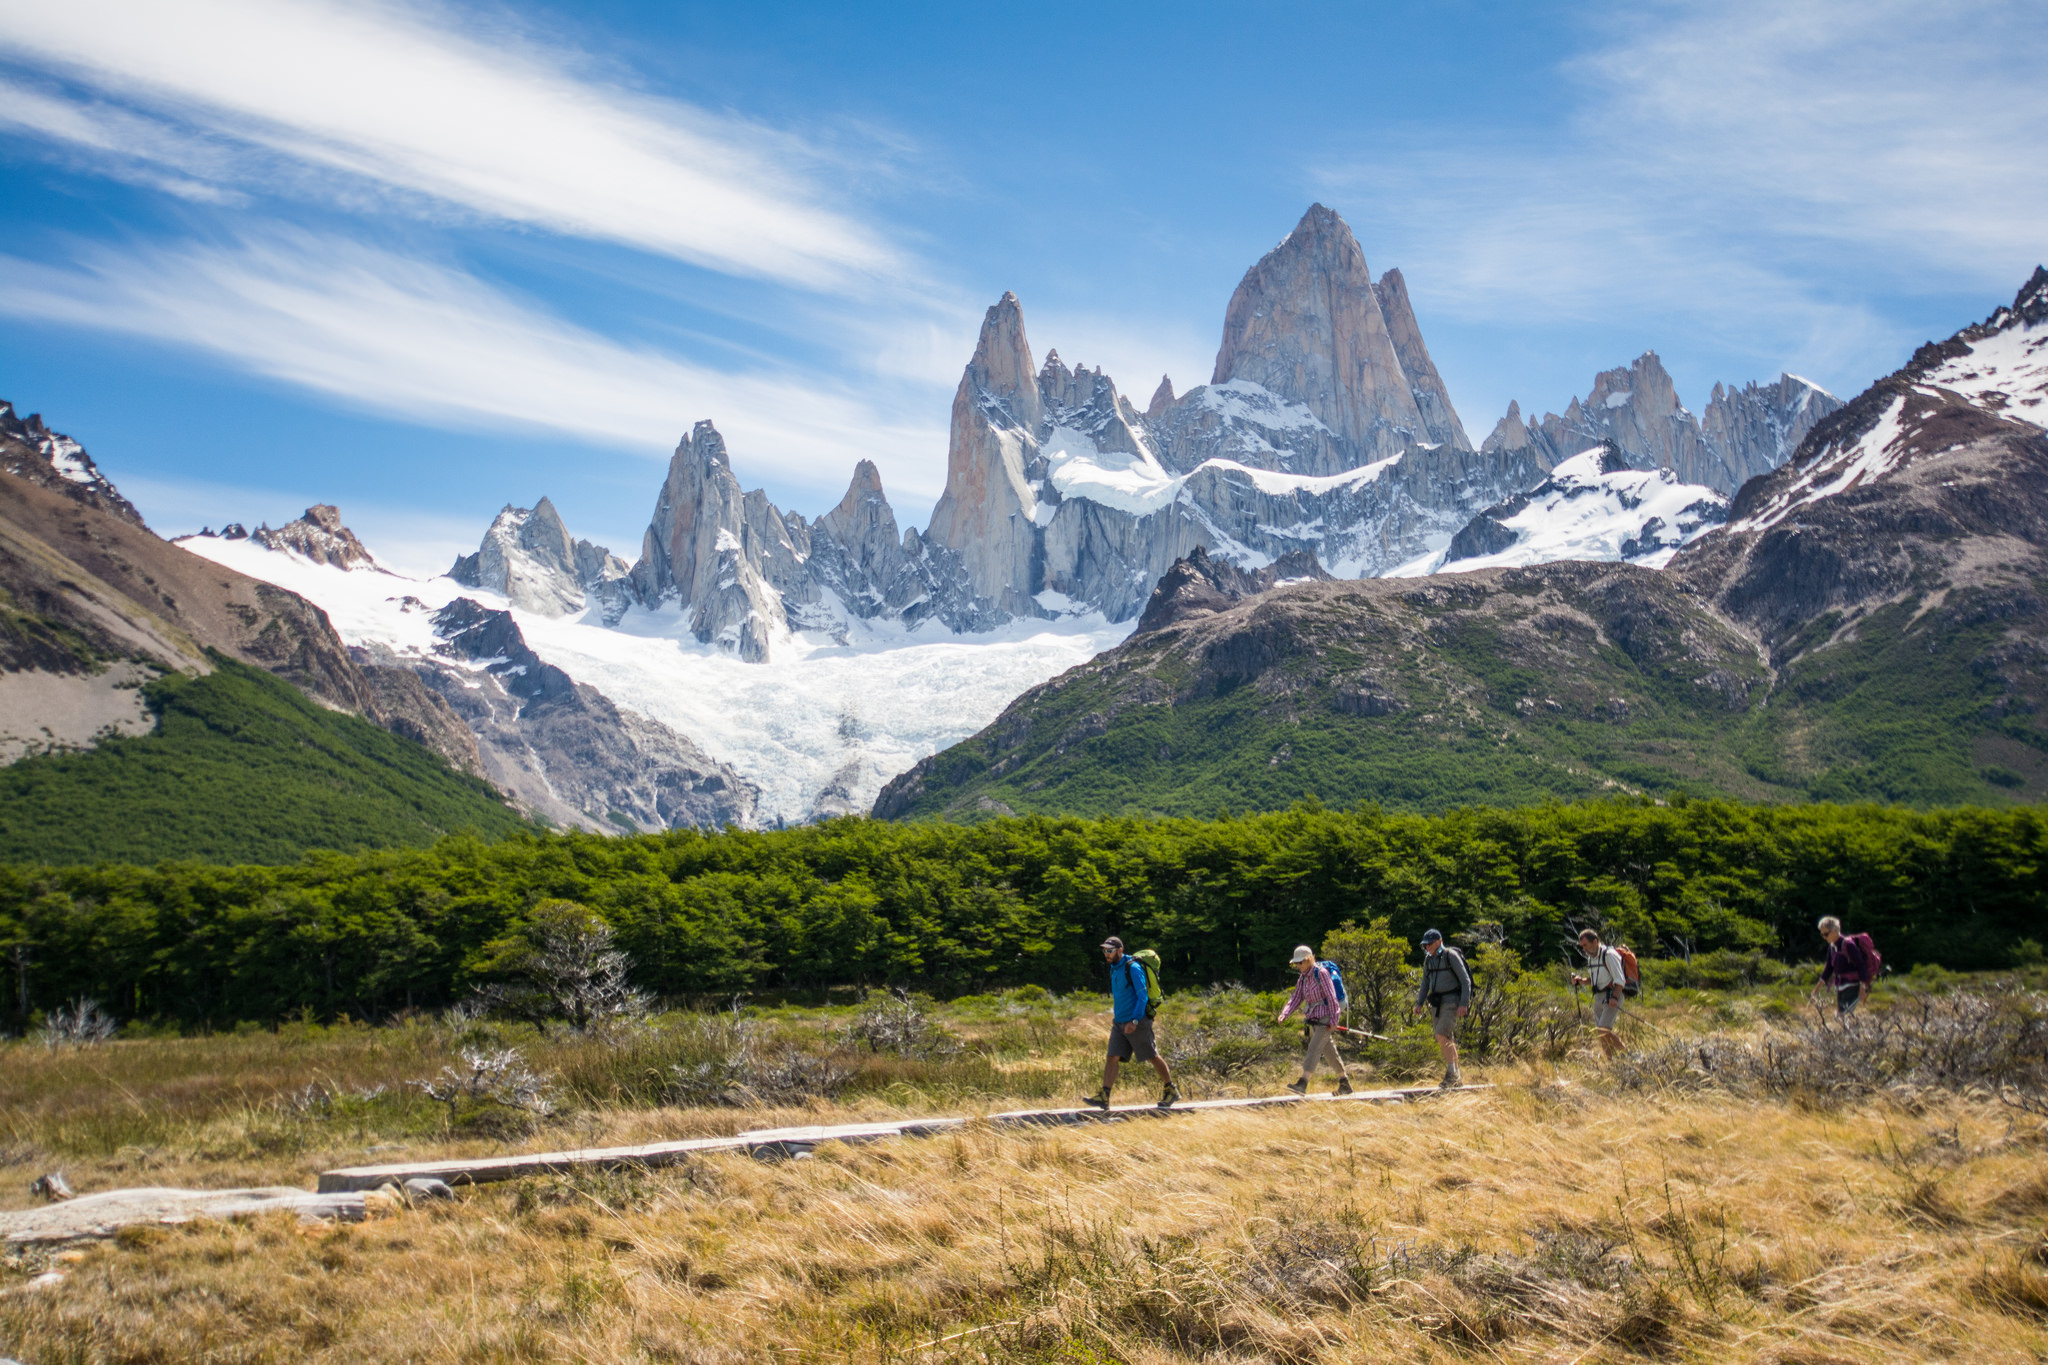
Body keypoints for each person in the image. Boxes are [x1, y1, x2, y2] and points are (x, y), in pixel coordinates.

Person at [1082, 936, 1179, 1110]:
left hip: (1137, 1021)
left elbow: (1143, 997)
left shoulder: (1133, 968)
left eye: (1109, 951)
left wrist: (1134, 1020)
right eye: (1104, 951)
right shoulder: (1113, 968)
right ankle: (1104, 1096)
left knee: (1151, 1055)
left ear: (1120, 950)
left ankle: (1170, 1089)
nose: (1106, 954)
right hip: (1119, 1022)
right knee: (1112, 1057)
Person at [1276, 945, 1354, 1096]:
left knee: (1314, 1047)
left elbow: (1331, 998)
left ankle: (1302, 1083)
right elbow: (1296, 998)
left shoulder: (1322, 973)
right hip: (1314, 1017)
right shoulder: (1303, 978)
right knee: (1328, 1050)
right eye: (1296, 963)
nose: (1298, 966)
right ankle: (1345, 1083)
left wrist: (1334, 1019)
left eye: (1301, 962)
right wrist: (1285, 1014)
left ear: (1309, 959)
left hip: (1326, 1017)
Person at [1412, 929, 1471, 1087]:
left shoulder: (1450, 956)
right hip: (1436, 1003)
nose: (1427, 948)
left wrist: (1463, 1003)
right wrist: (1419, 1003)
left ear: (1439, 941)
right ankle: (1455, 1076)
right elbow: (1425, 983)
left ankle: (1451, 1074)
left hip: (1451, 1001)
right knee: (1446, 1038)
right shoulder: (1428, 960)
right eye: (1425, 945)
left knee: (1441, 1035)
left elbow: (1465, 981)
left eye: (1429, 944)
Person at [1571, 928, 1627, 1059]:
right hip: (1598, 998)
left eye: (1585, 945)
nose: (1583, 948)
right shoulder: (1591, 958)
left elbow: (1620, 979)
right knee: (1602, 1034)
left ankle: (1627, 1054)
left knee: (1603, 1029)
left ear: (1595, 941)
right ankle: (1611, 1062)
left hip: (1612, 996)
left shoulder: (1609, 955)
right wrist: (1581, 981)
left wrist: (1615, 997)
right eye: (1582, 946)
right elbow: (1594, 980)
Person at [1817, 917, 1874, 1016]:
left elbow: (1861, 966)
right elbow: (1828, 969)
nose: (1824, 937)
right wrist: (1816, 990)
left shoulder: (1848, 945)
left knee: (1843, 1015)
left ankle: (1852, 1031)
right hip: (1840, 986)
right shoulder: (1832, 947)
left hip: (1852, 986)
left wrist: (1862, 989)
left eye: (1826, 934)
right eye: (1822, 935)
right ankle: (1853, 1031)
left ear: (1835, 930)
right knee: (1844, 1016)